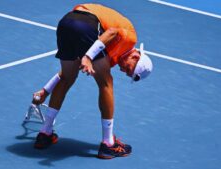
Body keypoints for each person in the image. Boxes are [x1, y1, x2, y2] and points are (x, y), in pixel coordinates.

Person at [31, 3, 153, 159]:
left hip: (66, 23)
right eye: (129, 69)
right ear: (135, 56)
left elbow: (67, 72)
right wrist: (88, 57)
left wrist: (46, 90)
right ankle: (108, 144)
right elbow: (111, 31)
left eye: (127, 73)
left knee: (68, 78)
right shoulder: (130, 38)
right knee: (106, 83)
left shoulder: (116, 52)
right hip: (87, 23)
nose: (124, 71)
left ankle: (45, 133)